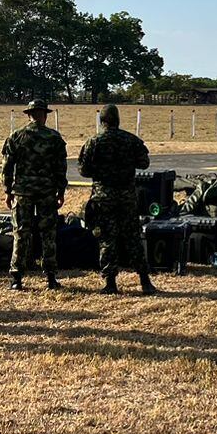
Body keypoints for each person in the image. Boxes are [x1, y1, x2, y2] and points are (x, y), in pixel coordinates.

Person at [77, 103, 155, 295]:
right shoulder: (131, 140)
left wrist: (101, 170)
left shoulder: (93, 142)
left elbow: (84, 170)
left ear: (101, 121)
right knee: (133, 238)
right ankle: (145, 281)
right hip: (126, 197)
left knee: (107, 239)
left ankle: (110, 282)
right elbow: (144, 163)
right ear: (118, 120)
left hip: (104, 197)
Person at [1, 99, 67, 290]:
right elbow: (61, 168)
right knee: (48, 234)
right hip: (47, 191)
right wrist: (61, 191)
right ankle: (51, 277)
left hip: (23, 191)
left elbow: (7, 167)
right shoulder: (54, 137)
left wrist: (8, 190)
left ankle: (17, 277)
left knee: (21, 233)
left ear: (28, 115)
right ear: (45, 115)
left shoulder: (16, 136)